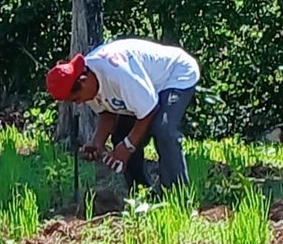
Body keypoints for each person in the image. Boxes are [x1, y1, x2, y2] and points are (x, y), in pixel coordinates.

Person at [46, 38, 200, 194]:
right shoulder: (89, 82)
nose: (78, 103)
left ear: (84, 81)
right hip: (144, 90)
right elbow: (107, 112)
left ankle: (178, 196)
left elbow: (149, 111)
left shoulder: (119, 75)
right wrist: (97, 142)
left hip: (174, 74)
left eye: (76, 99)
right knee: (121, 134)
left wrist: (128, 146)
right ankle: (142, 194)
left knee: (163, 129)